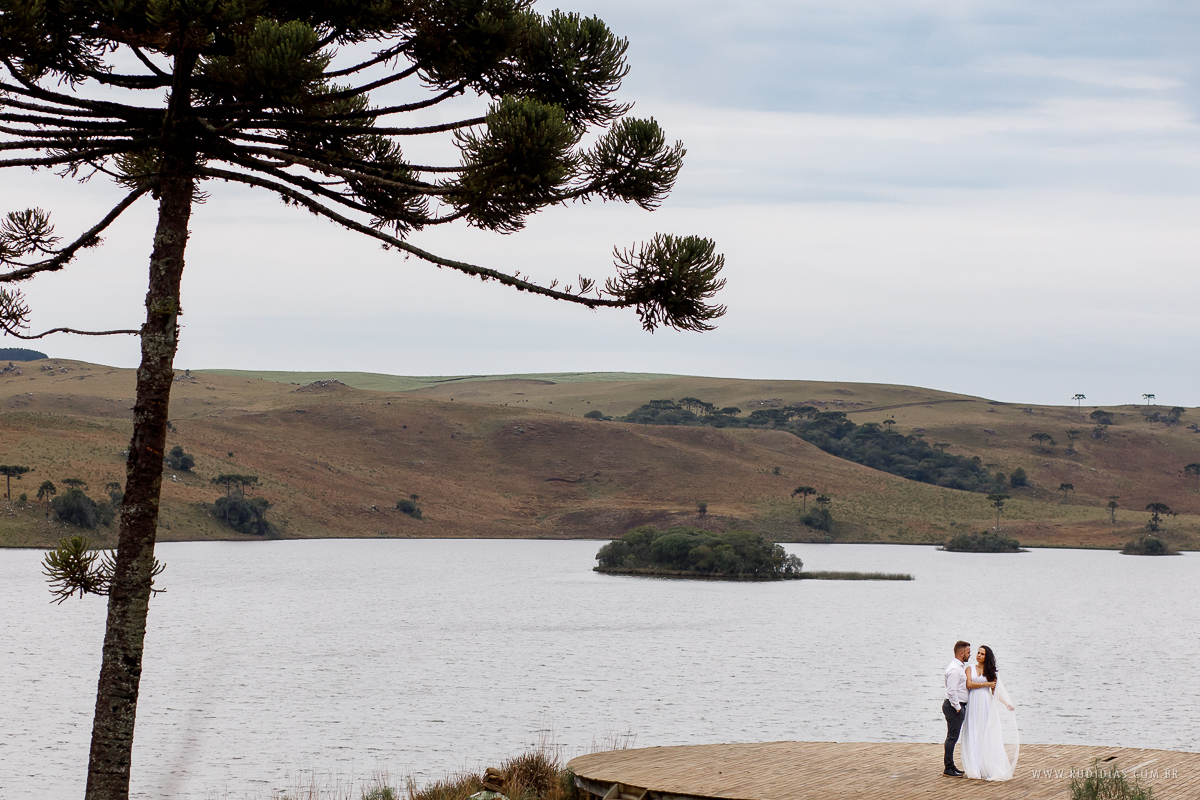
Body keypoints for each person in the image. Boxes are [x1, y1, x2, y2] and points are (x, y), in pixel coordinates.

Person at [960, 645, 1019, 781]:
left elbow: (994, 691)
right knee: (973, 732)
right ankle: (974, 768)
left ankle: (988, 765)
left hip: (986, 704)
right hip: (973, 703)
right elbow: (969, 684)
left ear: (987, 657)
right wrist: (985, 684)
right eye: (978, 653)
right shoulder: (970, 668)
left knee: (987, 733)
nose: (978, 655)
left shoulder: (991, 672)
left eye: (982, 654)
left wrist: (1006, 703)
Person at [942, 640, 970, 777]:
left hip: (956, 706)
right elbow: (951, 690)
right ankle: (948, 768)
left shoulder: (959, 667)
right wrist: (958, 707)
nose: (969, 655)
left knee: (953, 736)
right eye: (968, 652)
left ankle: (951, 765)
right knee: (952, 737)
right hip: (954, 706)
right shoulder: (955, 669)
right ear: (961, 653)